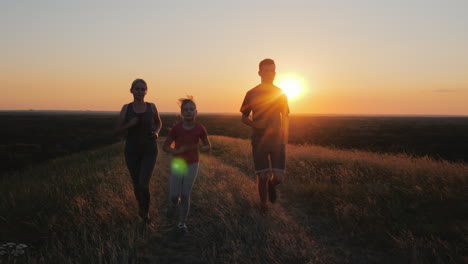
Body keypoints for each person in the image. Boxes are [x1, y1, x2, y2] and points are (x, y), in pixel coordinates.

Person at [240, 58, 289, 212]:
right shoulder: (251, 93)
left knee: (279, 178)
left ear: (275, 73)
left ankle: (271, 185)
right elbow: (243, 117)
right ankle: (263, 206)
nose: (269, 73)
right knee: (262, 176)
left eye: (272, 70)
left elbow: (286, 116)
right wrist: (255, 124)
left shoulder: (281, 93)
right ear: (260, 72)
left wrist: (285, 137)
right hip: (259, 140)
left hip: (277, 141)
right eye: (266, 70)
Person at [115, 78, 162, 223]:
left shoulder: (152, 106)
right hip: (131, 151)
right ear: (131, 90)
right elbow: (118, 130)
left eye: (143, 89)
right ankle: (141, 208)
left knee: (143, 183)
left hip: (149, 150)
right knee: (136, 184)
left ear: (146, 91)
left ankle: (145, 214)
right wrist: (130, 124)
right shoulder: (126, 108)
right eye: (137, 88)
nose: (140, 91)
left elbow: (158, 122)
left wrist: (157, 132)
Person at [163, 96, 211, 233]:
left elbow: (208, 146)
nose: (189, 112)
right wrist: (177, 150)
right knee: (174, 196)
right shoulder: (176, 128)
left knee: (185, 194)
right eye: (186, 110)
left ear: (196, 112)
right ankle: (171, 207)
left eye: (191, 109)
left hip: (192, 164)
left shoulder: (200, 128)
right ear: (181, 113)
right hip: (178, 163)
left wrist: (200, 148)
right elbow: (165, 147)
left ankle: (181, 223)